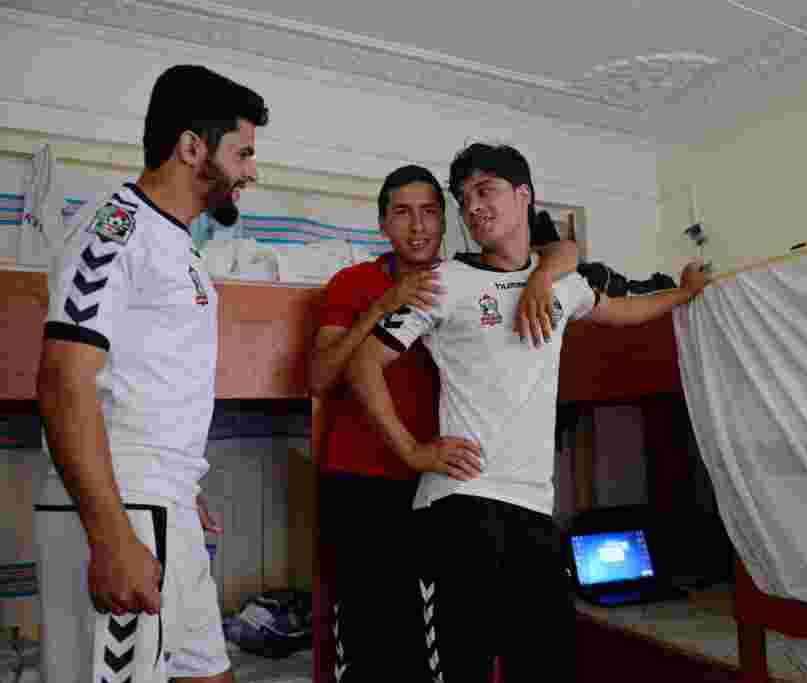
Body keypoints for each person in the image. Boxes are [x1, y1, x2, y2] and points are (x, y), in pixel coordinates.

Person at [344, 142, 710, 682]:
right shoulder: (444, 281)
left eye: (485, 191)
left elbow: (626, 310)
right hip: (460, 506)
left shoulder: (565, 281)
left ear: (523, 196)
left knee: (546, 666)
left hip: (535, 512)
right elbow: (363, 364)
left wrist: (683, 294)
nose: (473, 208)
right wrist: (412, 450)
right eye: (465, 199)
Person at [33, 64, 268, 683]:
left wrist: (183, 481)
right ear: (193, 147)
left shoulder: (177, 246)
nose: (250, 171)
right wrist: (111, 536)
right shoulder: (115, 231)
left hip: (163, 505)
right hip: (124, 510)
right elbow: (64, 379)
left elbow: (146, 379)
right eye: (242, 153)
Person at [307, 163, 580, 681]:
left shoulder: (461, 277)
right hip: (363, 480)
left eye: (431, 212)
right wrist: (383, 305)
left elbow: (564, 251)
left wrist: (545, 274)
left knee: (426, 644)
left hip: (434, 486)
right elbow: (320, 377)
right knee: (367, 637)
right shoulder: (355, 281)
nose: (418, 226)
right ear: (383, 223)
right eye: (403, 213)